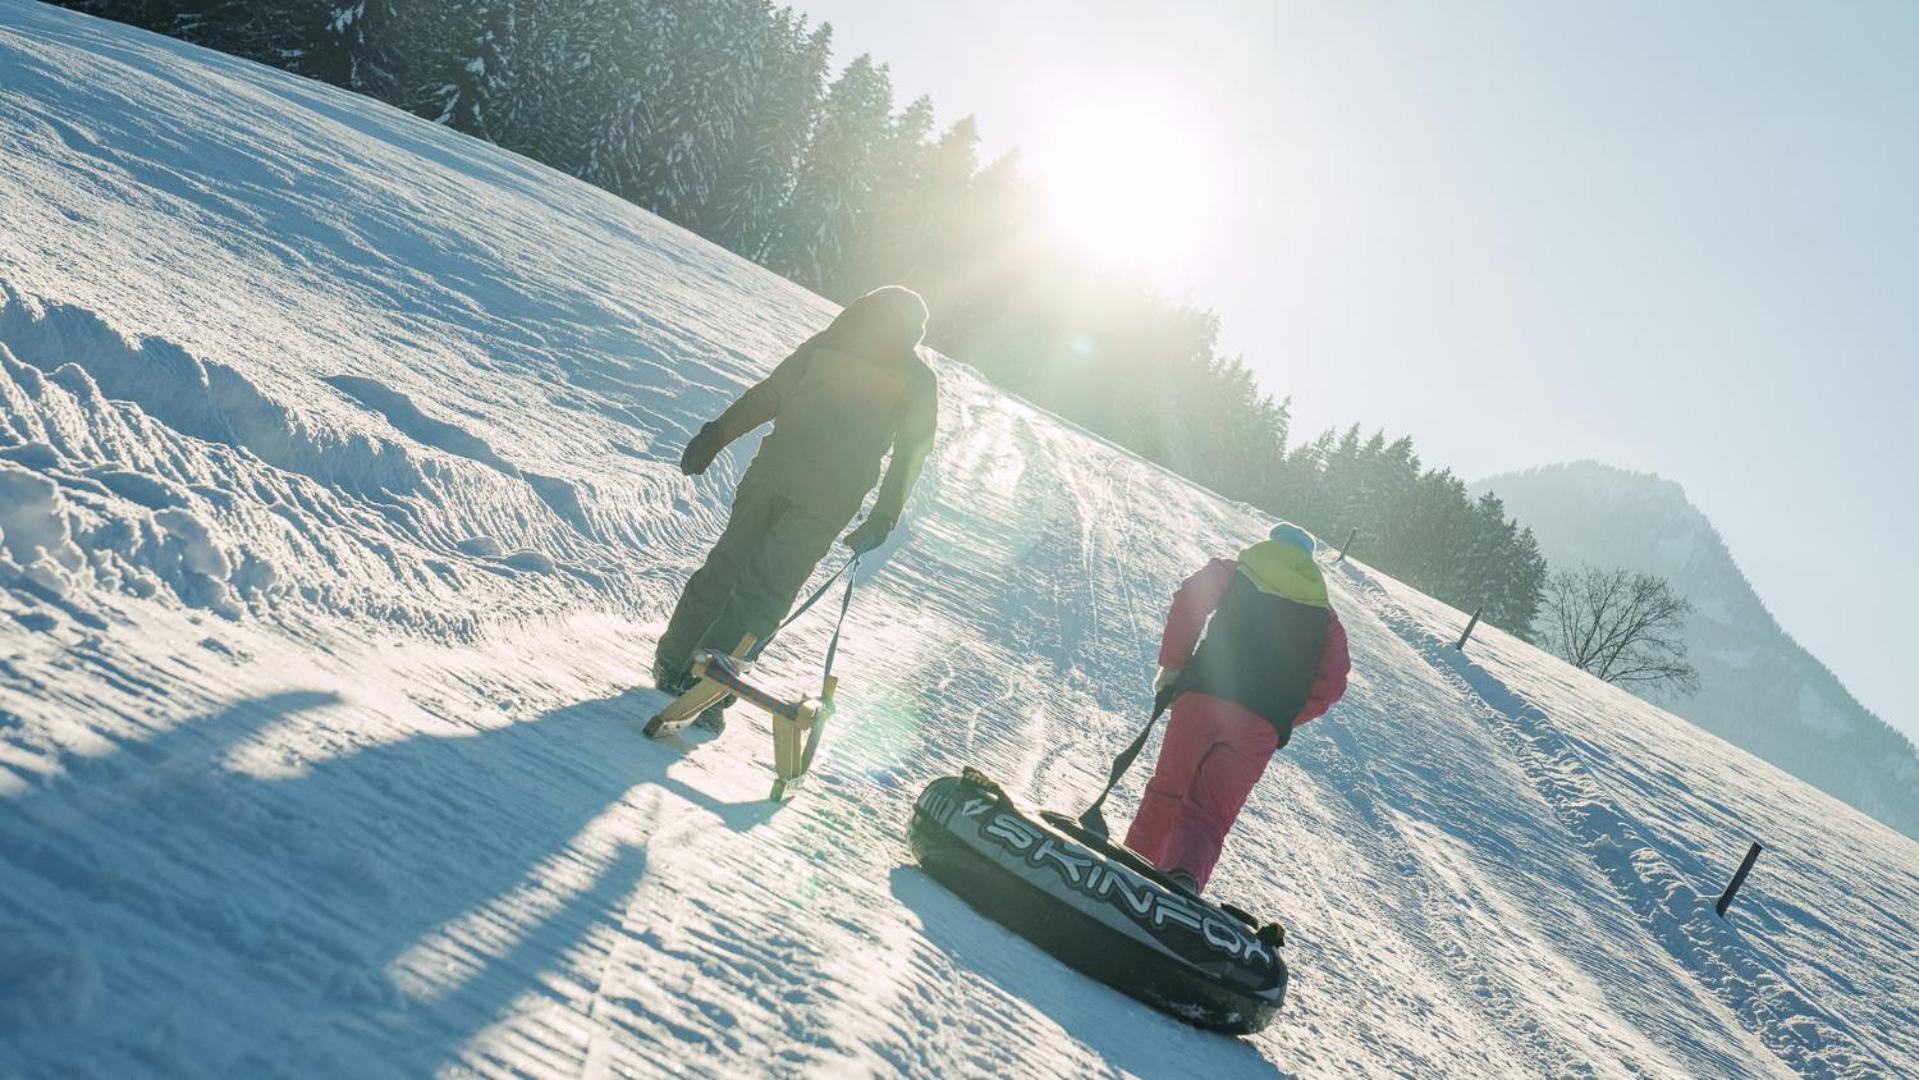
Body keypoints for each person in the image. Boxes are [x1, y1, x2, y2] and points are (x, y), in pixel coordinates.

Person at [653, 286, 939, 724]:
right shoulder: (915, 378)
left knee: (725, 567)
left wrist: (718, 432)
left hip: (773, 474)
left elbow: (771, 395)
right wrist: (885, 512)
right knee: (764, 591)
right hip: (828, 497)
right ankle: (705, 688)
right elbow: (911, 452)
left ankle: (674, 663)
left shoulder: (831, 341)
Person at [1125, 522, 1351, 894]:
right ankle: (1181, 882)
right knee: (1208, 816)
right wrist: (1280, 716)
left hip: (1202, 697)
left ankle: (1130, 870)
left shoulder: (1236, 571)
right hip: (1258, 727)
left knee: (1168, 791)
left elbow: (1188, 599)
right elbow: (1333, 681)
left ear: (1270, 544)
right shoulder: (1324, 617)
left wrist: (1173, 667)